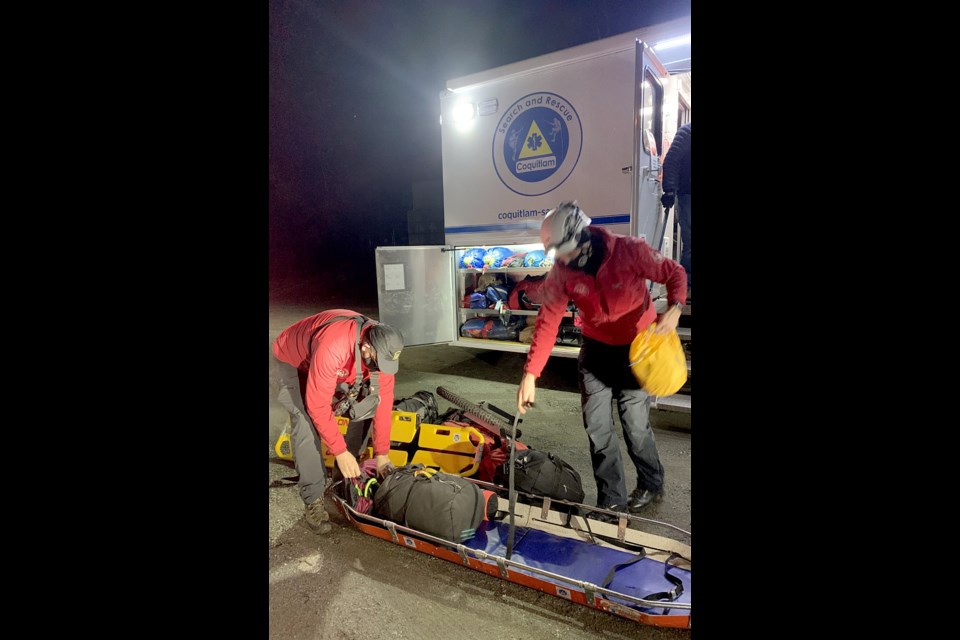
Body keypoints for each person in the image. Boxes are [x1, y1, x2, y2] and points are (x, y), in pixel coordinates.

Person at [516, 201, 687, 521]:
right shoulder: (563, 272)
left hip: (636, 353)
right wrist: (531, 374)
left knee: (635, 427)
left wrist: (675, 308)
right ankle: (612, 502)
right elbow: (548, 320)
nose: (561, 259)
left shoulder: (628, 251)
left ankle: (652, 481)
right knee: (598, 429)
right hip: (595, 356)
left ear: (580, 238)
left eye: (563, 251)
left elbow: (673, 273)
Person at [271, 309, 404, 534]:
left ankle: (343, 481)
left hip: (329, 361)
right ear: (365, 348)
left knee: (364, 401)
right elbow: (318, 407)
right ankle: (313, 498)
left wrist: (382, 454)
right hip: (292, 360)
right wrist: (340, 452)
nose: (381, 369)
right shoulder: (334, 346)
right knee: (305, 419)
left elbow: (382, 401)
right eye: (377, 362)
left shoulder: (382, 349)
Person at [660, 121, 691, 299]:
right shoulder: (687, 132)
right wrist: (670, 189)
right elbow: (672, 160)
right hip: (687, 195)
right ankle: (685, 288)